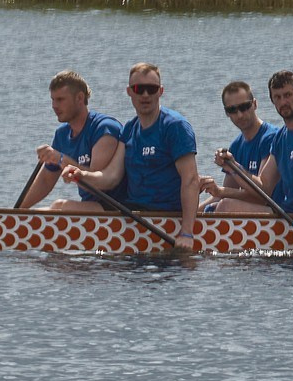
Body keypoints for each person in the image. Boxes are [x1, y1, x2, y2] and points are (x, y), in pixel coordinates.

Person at [65, 61, 198, 247]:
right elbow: (111, 177)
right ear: (129, 92)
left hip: (165, 216)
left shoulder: (175, 127)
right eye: (138, 88)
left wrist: (187, 233)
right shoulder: (129, 129)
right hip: (134, 213)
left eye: (151, 89)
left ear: (160, 91)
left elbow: (191, 179)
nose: (145, 95)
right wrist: (82, 175)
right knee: (64, 207)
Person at [208, 70, 293, 242]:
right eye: (277, 97)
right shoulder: (281, 137)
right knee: (224, 206)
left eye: (288, 95)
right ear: (272, 100)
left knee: (226, 207)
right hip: (288, 218)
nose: (283, 102)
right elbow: (264, 188)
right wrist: (233, 166)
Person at [18, 69, 123, 208]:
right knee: (37, 214)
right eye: (53, 100)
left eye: (60, 100)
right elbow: (45, 181)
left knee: (59, 206)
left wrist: (62, 160)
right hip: (90, 208)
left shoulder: (104, 128)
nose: (54, 106)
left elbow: (97, 186)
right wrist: (18, 212)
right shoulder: (62, 135)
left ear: (79, 98)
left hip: (117, 209)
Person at [201, 79, 279, 208]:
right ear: (226, 113)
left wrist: (233, 168)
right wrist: (192, 214)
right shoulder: (236, 146)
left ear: (254, 104)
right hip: (253, 214)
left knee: (225, 206)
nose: (240, 115)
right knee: (209, 208)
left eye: (244, 107)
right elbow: (225, 192)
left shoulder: (271, 138)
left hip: (276, 212)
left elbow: (263, 196)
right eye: (232, 110)